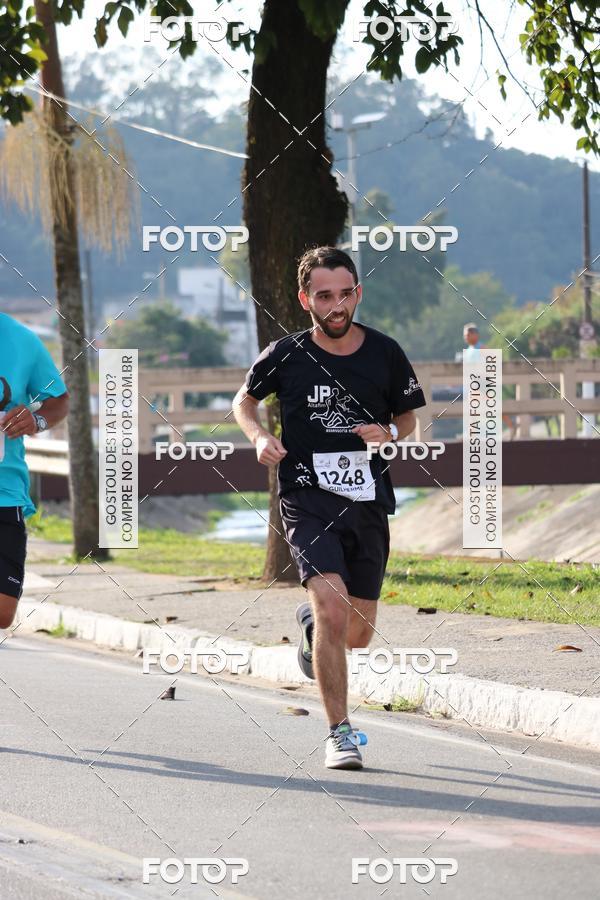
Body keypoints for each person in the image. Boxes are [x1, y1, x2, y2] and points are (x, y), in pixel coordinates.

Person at [233, 246, 426, 770]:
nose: (337, 306)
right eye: (325, 296)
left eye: (346, 294)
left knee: (356, 633)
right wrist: (257, 436)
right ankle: (339, 732)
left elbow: (408, 419)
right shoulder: (287, 354)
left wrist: (388, 433)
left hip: (366, 500)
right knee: (334, 606)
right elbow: (244, 400)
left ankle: (315, 631)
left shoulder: (385, 352)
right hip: (307, 497)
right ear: (305, 300)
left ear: (357, 293)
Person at [0, 312, 69, 631]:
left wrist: (36, 420)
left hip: (5, 492)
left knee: (3, 614)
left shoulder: (21, 340)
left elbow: (58, 401)